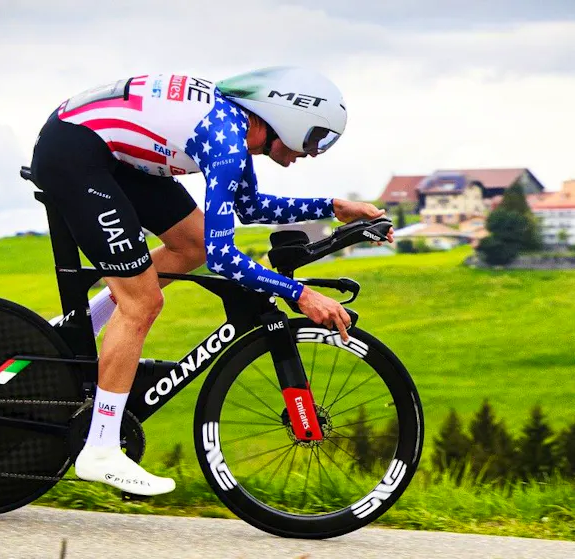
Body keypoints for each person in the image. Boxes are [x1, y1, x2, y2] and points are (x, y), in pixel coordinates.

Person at [28, 66, 393, 496]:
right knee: (142, 303)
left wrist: (333, 206)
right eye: (315, 137)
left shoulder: (232, 127)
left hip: (101, 151)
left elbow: (249, 207)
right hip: (75, 155)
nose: (314, 152)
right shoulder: (226, 139)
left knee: (192, 245)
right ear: (286, 114)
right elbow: (226, 258)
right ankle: (101, 449)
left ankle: (77, 330)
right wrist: (301, 294)